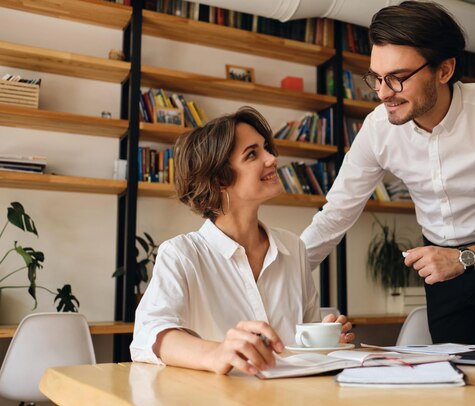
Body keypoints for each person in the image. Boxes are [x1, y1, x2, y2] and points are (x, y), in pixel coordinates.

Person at [301, 1, 475, 347]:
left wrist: (464, 258)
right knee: (453, 370)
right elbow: (335, 215)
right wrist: (279, 274)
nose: (383, 93)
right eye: (377, 78)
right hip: (437, 263)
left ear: (444, 70)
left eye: (397, 78)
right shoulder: (377, 129)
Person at [131, 106, 354, 375]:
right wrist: (216, 353)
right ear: (219, 180)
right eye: (253, 154)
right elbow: (147, 337)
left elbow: (300, 347)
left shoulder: (294, 248)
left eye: (267, 148)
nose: (272, 158)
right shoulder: (181, 254)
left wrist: (326, 340)